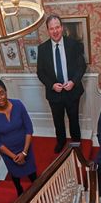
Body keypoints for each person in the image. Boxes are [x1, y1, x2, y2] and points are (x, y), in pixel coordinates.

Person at [37, 14, 87, 153]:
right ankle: (61, 142)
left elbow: (81, 66)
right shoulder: (42, 49)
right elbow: (40, 73)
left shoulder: (73, 44)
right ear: (48, 30)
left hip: (72, 91)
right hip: (54, 93)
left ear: (62, 27)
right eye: (52, 28)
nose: (55, 31)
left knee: (74, 120)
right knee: (58, 121)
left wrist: (73, 81)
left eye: (57, 27)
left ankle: (76, 143)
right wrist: (52, 85)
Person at [0, 79, 37, 196]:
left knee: (32, 172)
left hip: (25, 147)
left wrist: (24, 153)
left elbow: (29, 129)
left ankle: (38, 186)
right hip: (8, 153)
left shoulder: (18, 104)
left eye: (2, 93)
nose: (0, 98)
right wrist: (14, 157)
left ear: (6, 91)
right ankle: (19, 189)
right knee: (15, 174)